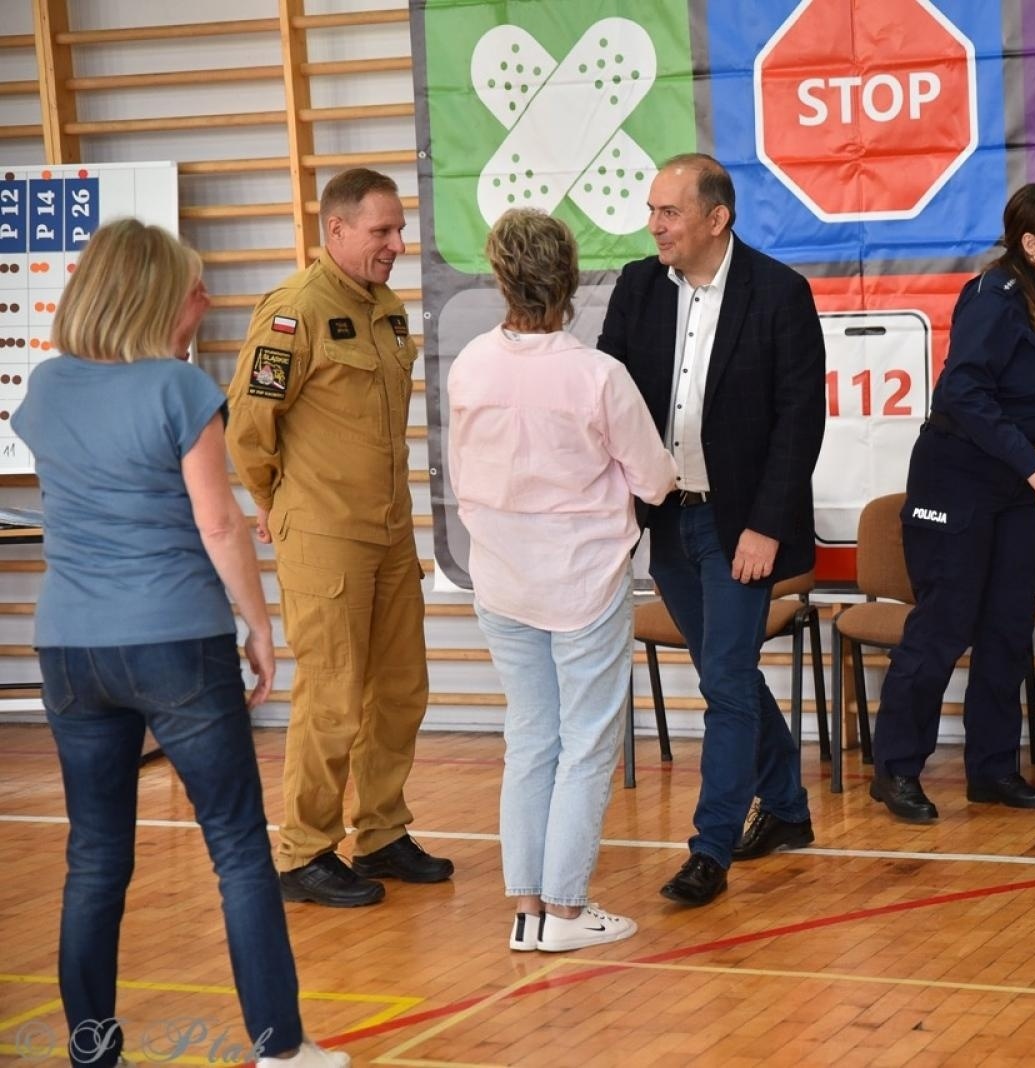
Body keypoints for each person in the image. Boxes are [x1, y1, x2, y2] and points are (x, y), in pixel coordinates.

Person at [14, 219, 347, 1067]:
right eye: (193, 288)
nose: (206, 300)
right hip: (175, 639)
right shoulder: (178, 387)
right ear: (155, 298)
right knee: (237, 846)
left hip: (70, 649)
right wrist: (260, 626)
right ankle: (280, 1047)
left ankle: (94, 1052)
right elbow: (218, 522)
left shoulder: (46, 387)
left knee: (94, 858)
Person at [869, 183, 1035, 822]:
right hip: (957, 481)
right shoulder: (993, 298)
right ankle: (896, 770)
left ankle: (991, 770)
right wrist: (1034, 465)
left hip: (1009, 488)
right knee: (940, 631)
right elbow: (964, 394)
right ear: (1030, 243)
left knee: (1007, 632)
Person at [597, 153, 826, 907]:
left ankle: (710, 849)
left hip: (740, 529)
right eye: (654, 210)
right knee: (728, 674)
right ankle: (788, 807)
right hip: (670, 521)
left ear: (714, 219)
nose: (653, 224)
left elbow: (800, 422)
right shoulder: (637, 287)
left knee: (723, 683)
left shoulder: (779, 295)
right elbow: (610, 397)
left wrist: (764, 527)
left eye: (669, 211)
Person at [449, 208, 676, 950]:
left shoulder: (471, 364)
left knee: (530, 739)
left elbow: (461, 472)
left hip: (503, 580)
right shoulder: (596, 375)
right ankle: (566, 912)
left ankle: (528, 910)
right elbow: (655, 477)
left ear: (499, 276)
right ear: (572, 280)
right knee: (584, 744)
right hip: (581, 581)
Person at [226, 168, 451, 908]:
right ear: (337, 231)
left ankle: (381, 831)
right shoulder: (294, 312)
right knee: (331, 697)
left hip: (387, 532)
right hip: (323, 535)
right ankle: (303, 850)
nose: (396, 243)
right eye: (382, 231)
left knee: (399, 691)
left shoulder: (385, 310)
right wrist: (276, 503)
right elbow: (250, 428)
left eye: (399, 229)